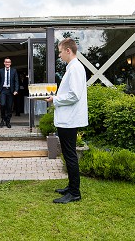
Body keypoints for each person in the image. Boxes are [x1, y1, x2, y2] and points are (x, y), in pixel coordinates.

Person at [47, 38, 88, 204]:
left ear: (68, 51)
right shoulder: (71, 67)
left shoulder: (76, 68)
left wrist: (55, 99)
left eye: (60, 51)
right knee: (68, 154)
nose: (59, 54)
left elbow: (74, 95)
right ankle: (71, 187)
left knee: (70, 155)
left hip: (69, 120)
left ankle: (75, 193)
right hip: (67, 119)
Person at [0, 57, 19, 128]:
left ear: (10, 63)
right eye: (6, 62)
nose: (7, 63)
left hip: (10, 91)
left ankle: (8, 121)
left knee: (9, 107)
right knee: (2, 104)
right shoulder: (0, 71)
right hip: (3, 90)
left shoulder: (14, 71)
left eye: (8, 62)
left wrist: (16, 90)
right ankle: (3, 119)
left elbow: (16, 81)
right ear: (4, 63)